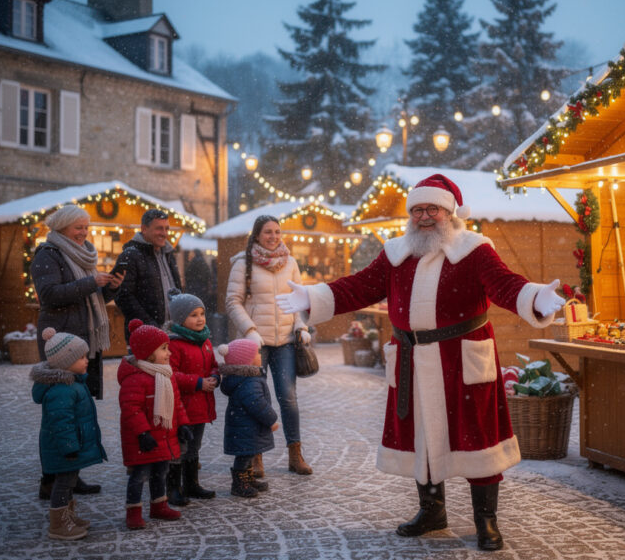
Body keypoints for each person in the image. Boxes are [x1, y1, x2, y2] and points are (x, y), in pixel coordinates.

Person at [276, 174, 565, 551]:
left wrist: (534, 297)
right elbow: (360, 286)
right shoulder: (396, 253)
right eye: (418, 209)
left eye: (433, 209)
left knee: (477, 438)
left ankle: (486, 521)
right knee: (421, 438)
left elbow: (504, 284)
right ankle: (432, 512)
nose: (424, 216)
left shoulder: (475, 249)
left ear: (450, 212)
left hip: (463, 358)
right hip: (412, 358)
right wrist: (315, 296)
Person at [31, 204, 123, 499]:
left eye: (86, 227)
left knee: (80, 409)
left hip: (83, 341)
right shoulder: (48, 255)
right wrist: (89, 282)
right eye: (78, 227)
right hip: (60, 341)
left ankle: (71, 476)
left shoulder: (82, 255)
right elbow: (49, 295)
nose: (84, 232)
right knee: (60, 413)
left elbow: (90, 298)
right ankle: (51, 480)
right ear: (62, 228)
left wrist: (109, 288)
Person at [224, 215, 313, 477]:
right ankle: (255, 456)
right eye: (267, 232)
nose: (273, 236)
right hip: (255, 345)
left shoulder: (291, 262)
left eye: (277, 231)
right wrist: (250, 331)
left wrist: (301, 326)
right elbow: (232, 301)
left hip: (285, 341)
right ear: (257, 235)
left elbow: (299, 300)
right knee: (256, 400)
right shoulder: (243, 263)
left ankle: (295, 454)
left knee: (289, 398)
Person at [30, 327, 107, 540]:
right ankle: (59, 524)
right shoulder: (61, 390)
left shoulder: (72, 383)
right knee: (63, 484)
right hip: (64, 449)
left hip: (71, 447)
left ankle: (68, 516)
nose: (86, 360)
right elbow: (61, 423)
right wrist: (69, 447)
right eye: (81, 357)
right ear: (65, 362)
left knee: (70, 481)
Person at [118, 319, 193, 530]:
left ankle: (159, 505)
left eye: (168, 347)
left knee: (161, 472)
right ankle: (133, 512)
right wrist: (142, 433)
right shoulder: (135, 379)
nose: (169, 353)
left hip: (164, 436)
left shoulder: (166, 375)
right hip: (144, 440)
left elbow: (177, 404)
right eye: (163, 348)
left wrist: (183, 425)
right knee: (139, 476)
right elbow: (131, 410)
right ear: (148, 352)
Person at [165, 292, 219, 506]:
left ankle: (191, 484)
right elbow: (171, 373)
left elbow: (213, 364)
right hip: (183, 407)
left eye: (202, 313)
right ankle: (173, 488)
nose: (200, 319)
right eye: (193, 315)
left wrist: (215, 376)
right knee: (180, 446)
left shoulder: (205, 340)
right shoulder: (174, 344)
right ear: (180, 319)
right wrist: (197, 382)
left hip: (201, 406)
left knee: (194, 447)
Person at [218, 338, 278, 498]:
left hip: (246, 427)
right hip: (247, 428)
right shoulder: (249, 382)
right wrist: (271, 419)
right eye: (257, 352)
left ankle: (248, 478)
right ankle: (239, 484)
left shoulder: (246, 379)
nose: (260, 354)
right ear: (248, 360)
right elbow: (257, 404)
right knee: (244, 455)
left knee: (249, 453)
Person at [113, 208, 182, 341]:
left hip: (173, 333)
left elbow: (177, 291)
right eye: (159, 228)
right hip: (145, 336)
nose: (164, 233)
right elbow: (123, 296)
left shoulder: (168, 254)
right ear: (144, 229)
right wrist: (150, 325)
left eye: (167, 229)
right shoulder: (130, 255)